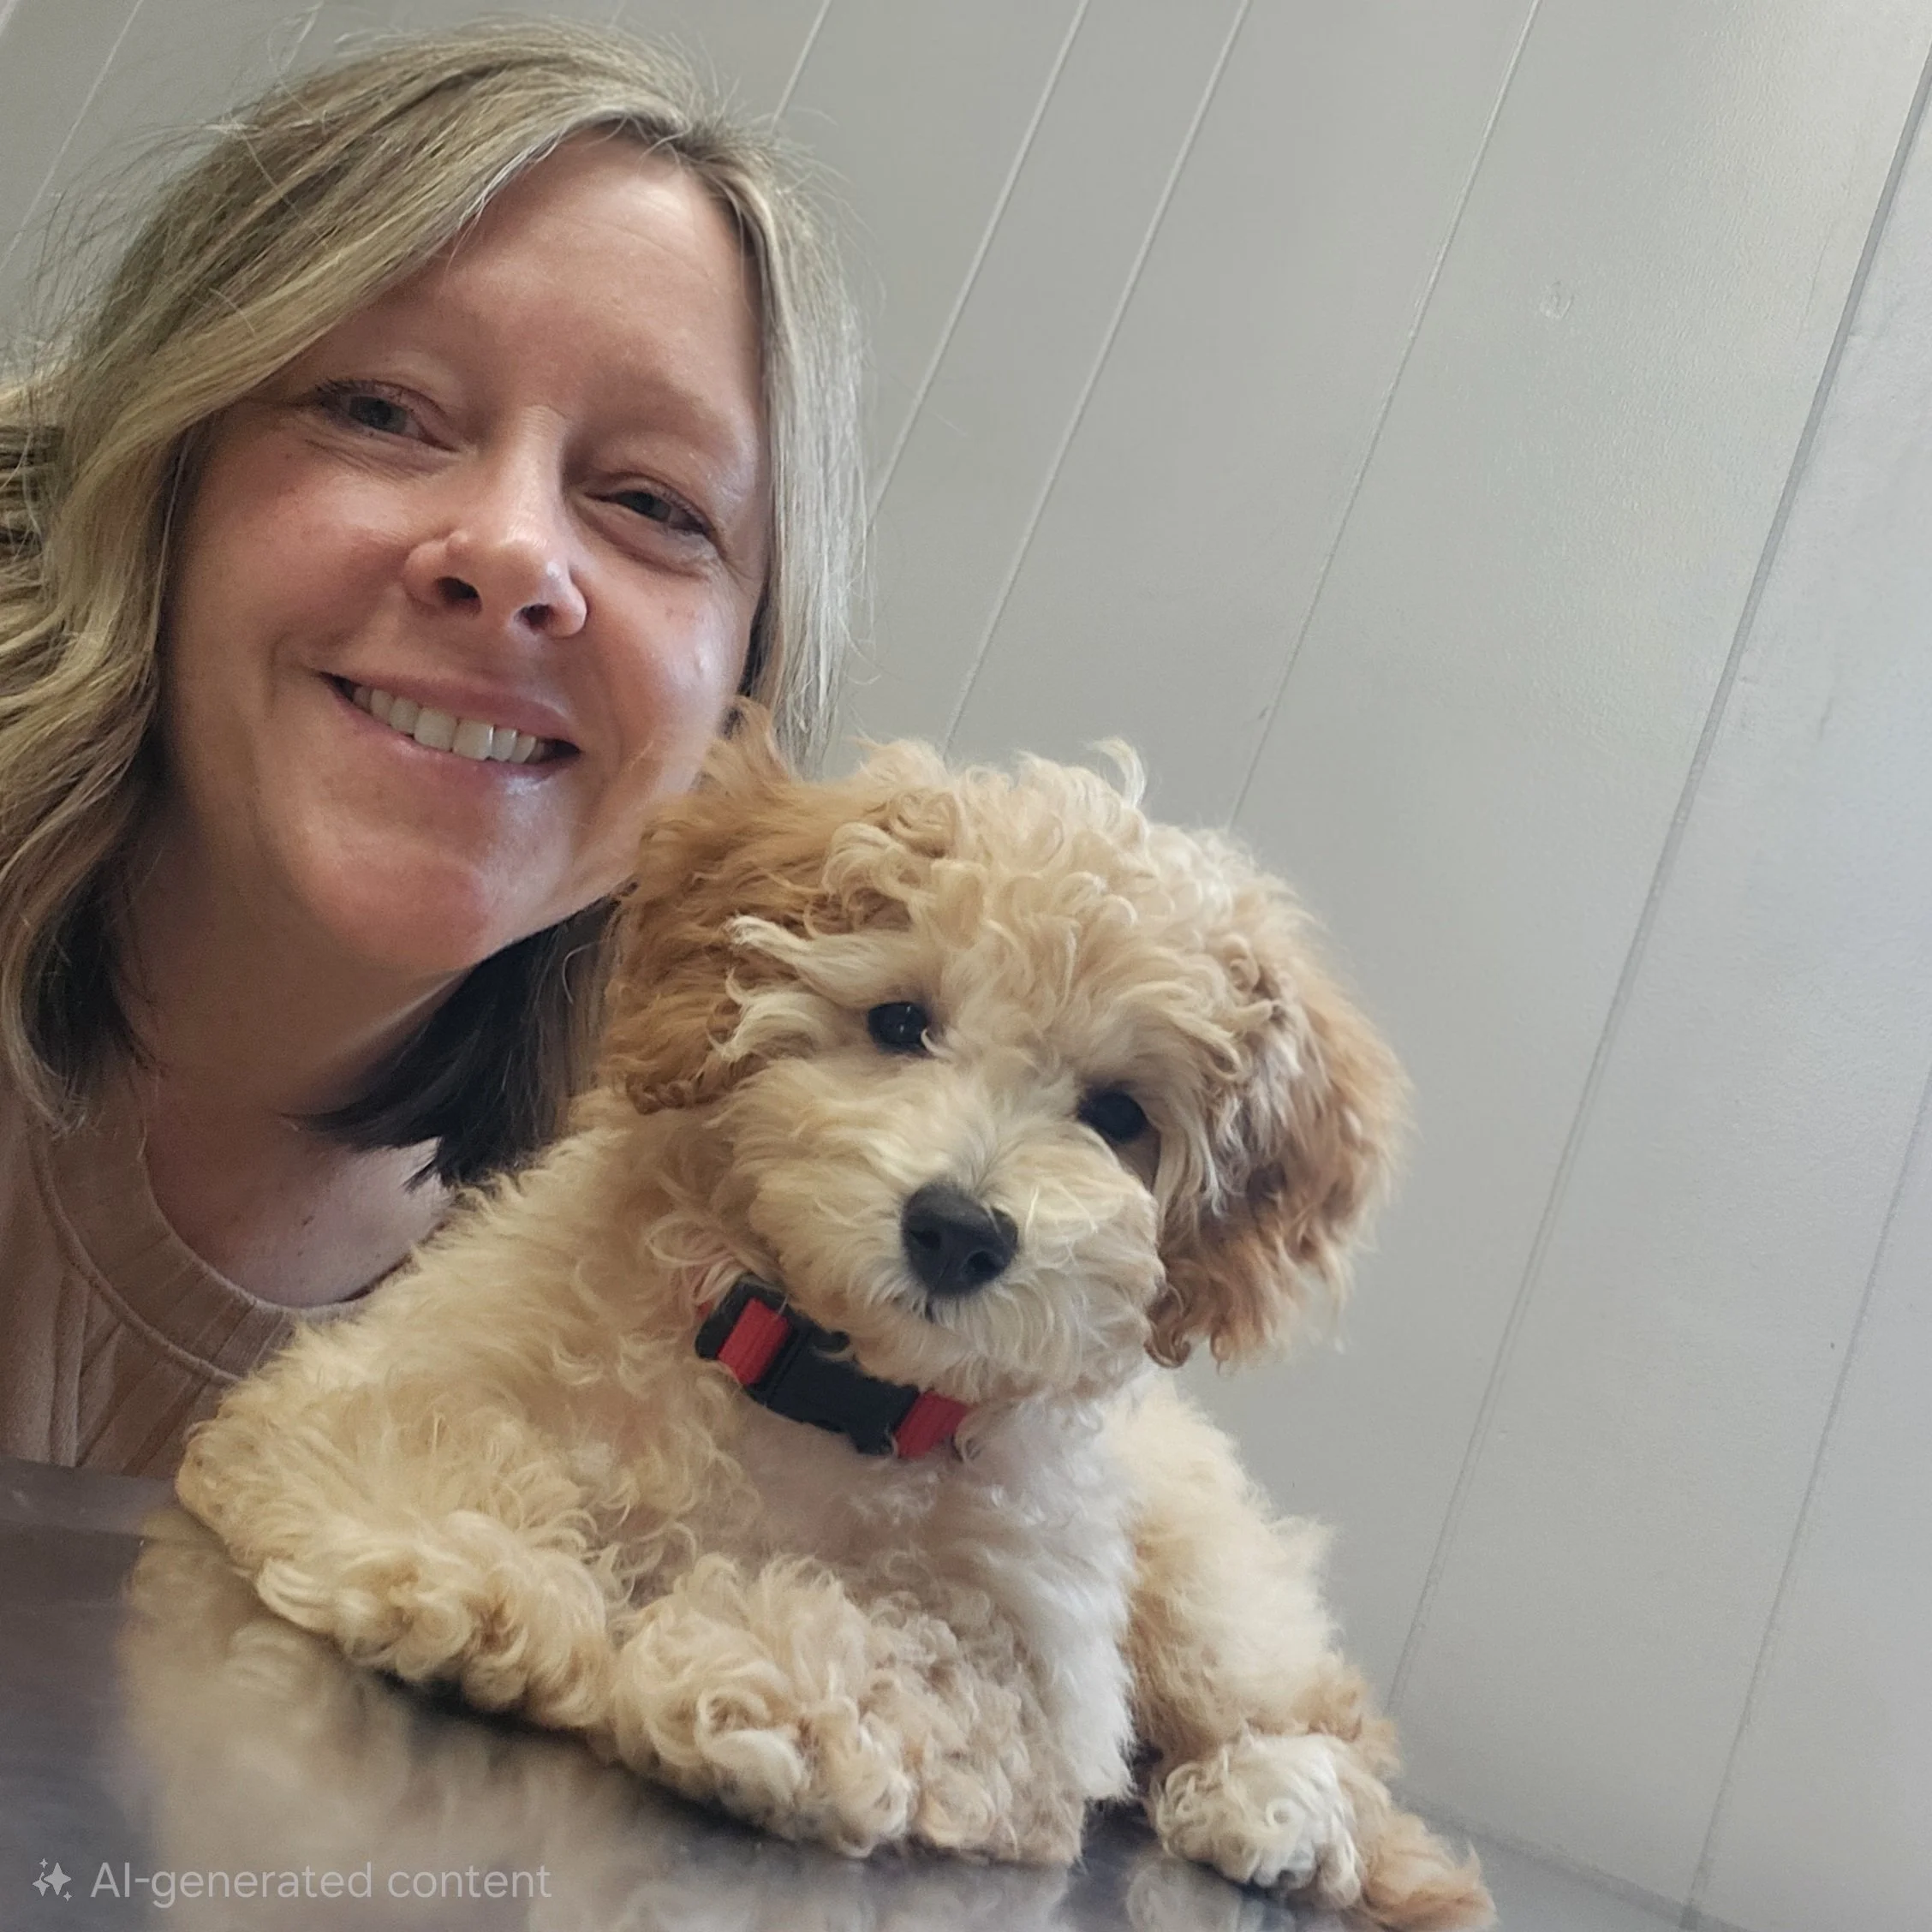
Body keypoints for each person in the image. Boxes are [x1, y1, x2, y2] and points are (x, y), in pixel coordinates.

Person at [0, 21, 864, 1476]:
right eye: (382, 412)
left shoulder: (694, 1320)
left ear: (740, 693)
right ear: (162, 484)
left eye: (656, 503)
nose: (517, 554)